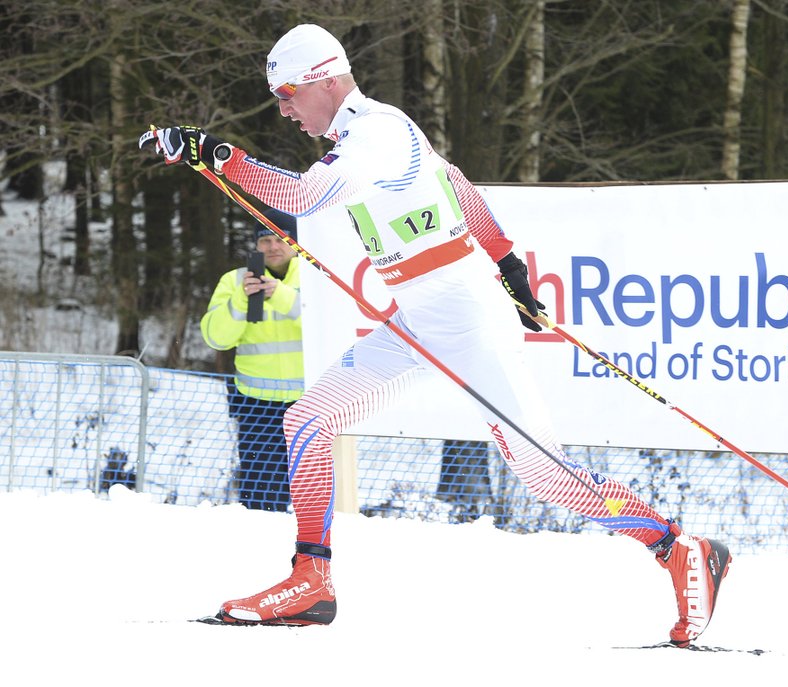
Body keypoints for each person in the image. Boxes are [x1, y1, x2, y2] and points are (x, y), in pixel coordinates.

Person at [140, 23, 730, 645]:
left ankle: (680, 548)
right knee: (307, 421)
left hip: (471, 323)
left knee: (548, 477)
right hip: (416, 319)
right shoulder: (374, 130)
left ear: (325, 80)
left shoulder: (375, 137)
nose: (282, 109)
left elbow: (302, 199)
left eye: (286, 93)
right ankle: (311, 579)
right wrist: (508, 262)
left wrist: (215, 153)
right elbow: (455, 183)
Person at [200, 208, 302, 512]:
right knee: (259, 496)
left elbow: (330, 326)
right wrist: (242, 300)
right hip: (256, 405)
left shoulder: (317, 277)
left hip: (308, 403)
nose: (272, 247)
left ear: (295, 242)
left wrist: (283, 297)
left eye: (280, 239)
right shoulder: (234, 281)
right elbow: (216, 338)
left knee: (307, 491)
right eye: (264, 240)